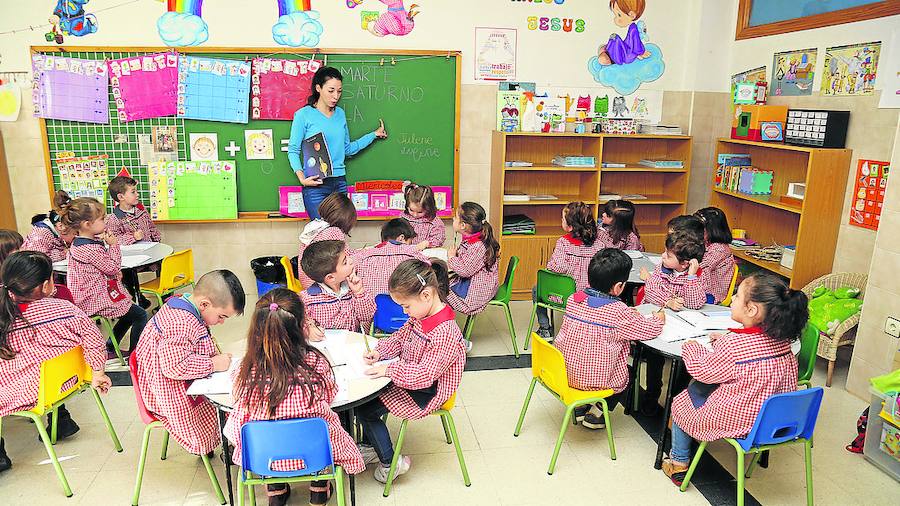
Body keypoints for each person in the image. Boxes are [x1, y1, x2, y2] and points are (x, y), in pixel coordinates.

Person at [662, 273, 807, 486]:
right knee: (699, 391)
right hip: (773, 420)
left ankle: (679, 463)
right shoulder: (783, 341)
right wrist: (726, 340)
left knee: (682, 400)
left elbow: (701, 370)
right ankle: (683, 436)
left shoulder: (735, 346)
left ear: (752, 309)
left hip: (741, 419)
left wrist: (691, 347)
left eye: (737, 296)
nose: (731, 300)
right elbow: (749, 353)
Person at [225, 289, 364, 506]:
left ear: (257, 331)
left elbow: (237, 398)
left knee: (260, 426)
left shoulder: (245, 369)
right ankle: (319, 488)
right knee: (320, 428)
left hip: (263, 456)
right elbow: (329, 394)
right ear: (301, 328)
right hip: (314, 453)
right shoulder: (315, 363)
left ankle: (276, 490)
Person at [356, 259, 466, 483]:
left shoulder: (445, 332)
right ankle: (370, 445)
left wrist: (390, 369)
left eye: (406, 306)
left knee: (366, 409)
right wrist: (381, 352)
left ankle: (391, 463)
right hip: (410, 377)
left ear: (426, 295)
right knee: (364, 400)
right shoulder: (422, 315)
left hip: (426, 392)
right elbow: (401, 336)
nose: (405, 313)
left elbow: (425, 375)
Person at [0, 251, 111, 473]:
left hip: (23, 393)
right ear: (45, 285)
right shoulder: (66, 310)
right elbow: (95, 340)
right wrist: (98, 373)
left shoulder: (5, 316)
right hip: (65, 383)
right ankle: (61, 419)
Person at [133, 270, 245, 458]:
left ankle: (230, 442)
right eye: (221, 317)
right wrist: (212, 364)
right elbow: (173, 366)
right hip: (170, 393)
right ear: (204, 304)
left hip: (180, 382)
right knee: (230, 404)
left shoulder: (185, 304)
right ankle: (231, 443)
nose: (222, 323)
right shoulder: (181, 323)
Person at [554, 249, 664, 429]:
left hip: (563, 373)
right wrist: (658, 320)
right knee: (627, 372)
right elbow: (647, 331)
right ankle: (597, 412)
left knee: (589, 355)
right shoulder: (618, 311)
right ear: (619, 287)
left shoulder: (574, 299)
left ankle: (581, 405)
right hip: (593, 381)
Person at [287, 66, 387, 219]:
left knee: (338, 233)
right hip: (316, 184)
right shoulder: (303, 115)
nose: (336, 96)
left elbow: (347, 149)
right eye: (331, 90)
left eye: (339, 91)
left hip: (339, 182)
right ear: (318, 88)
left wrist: (373, 135)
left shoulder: (340, 114)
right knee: (322, 234)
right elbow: (293, 150)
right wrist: (301, 178)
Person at [61, 197, 149, 358]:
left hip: (88, 294)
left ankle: (110, 347)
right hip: (93, 298)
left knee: (129, 310)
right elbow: (113, 267)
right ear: (87, 224)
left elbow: (104, 269)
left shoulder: (79, 242)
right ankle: (136, 356)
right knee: (140, 314)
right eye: (102, 219)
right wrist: (114, 245)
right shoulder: (90, 249)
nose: (106, 220)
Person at [534, 202, 603, 339]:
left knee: (536, 290)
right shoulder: (599, 245)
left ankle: (545, 328)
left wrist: (570, 269)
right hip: (591, 296)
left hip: (565, 297)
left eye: (562, 219)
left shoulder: (563, 243)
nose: (561, 221)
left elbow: (555, 267)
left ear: (570, 226)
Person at [106, 175, 162, 308]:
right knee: (127, 273)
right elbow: (114, 240)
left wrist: (157, 240)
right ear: (121, 197)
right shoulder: (114, 219)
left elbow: (152, 228)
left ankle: (165, 300)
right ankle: (136, 302)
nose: (137, 194)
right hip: (130, 260)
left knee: (164, 262)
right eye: (133, 192)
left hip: (150, 255)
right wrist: (132, 237)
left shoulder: (141, 212)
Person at [300, 240, 375, 333]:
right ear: (331, 277)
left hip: (350, 342)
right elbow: (297, 324)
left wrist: (359, 292)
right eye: (345, 262)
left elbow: (366, 316)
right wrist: (308, 330)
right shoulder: (307, 299)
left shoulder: (352, 289)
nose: (351, 261)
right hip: (324, 345)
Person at [446, 203, 500, 327]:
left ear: (463, 225)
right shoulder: (473, 239)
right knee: (439, 286)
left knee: (438, 291)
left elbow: (464, 270)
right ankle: (447, 327)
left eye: (455, 218)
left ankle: (449, 332)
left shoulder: (478, 246)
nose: (453, 219)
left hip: (474, 296)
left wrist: (451, 258)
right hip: (472, 285)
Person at [298, 192, 358, 288]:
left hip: (306, 282)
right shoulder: (334, 232)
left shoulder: (316, 226)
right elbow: (346, 259)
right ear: (347, 218)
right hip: (323, 285)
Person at [355, 218, 429, 296]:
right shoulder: (414, 254)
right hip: (404, 305)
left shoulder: (363, 255)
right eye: (410, 242)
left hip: (368, 305)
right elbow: (430, 273)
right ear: (401, 238)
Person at [640, 229, 706, 311]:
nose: (663, 255)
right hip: (656, 310)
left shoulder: (697, 276)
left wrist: (691, 277)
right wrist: (668, 302)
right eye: (665, 252)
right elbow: (650, 291)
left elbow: (694, 305)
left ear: (684, 264)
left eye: (668, 256)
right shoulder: (661, 269)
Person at [694, 207, 736, 304]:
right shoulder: (706, 242)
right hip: (702, 288)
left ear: (711, 230)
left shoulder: (719, 249)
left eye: (700, 229)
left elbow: (698, 266)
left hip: (712, 295)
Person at [21, 191, 76, 262]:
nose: (76, 237)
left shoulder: (55, 232)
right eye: (75, 233)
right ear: (61, 226)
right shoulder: (41, 234)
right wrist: (64, 253)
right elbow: (39, 259)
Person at [401, 183, 445, 248]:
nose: (415, 215)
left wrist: (427, 243)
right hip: (406, 253)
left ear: (428, 208)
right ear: (407, 206)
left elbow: (439, 239)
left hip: (426, 253)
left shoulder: (434, 222)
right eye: (411, 210)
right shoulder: (404, 217)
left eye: (420, 212)